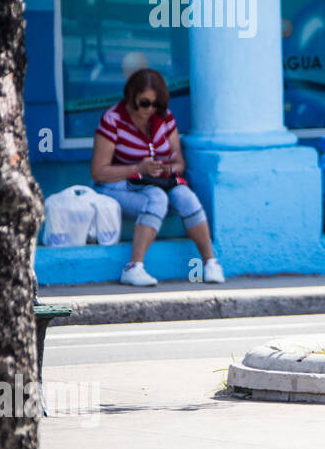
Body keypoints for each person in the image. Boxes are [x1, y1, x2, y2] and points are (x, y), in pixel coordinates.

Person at [90, 68, 224, 286]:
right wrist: (139, 167)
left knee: (185, 196)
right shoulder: (113, 120)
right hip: (116, 184)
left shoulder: (164, 119)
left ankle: (210, 263)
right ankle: (133, 267)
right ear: (131, 97)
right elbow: (98, 171)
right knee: (157, 197)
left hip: (154, 181)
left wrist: (168, 169)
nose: (150, 109)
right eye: (145, 103)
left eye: (156, 104)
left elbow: (180, 162)